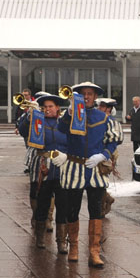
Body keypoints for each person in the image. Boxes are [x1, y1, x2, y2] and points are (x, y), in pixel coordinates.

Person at [50, 82, 119, 267]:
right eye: (83, 94)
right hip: (74, 166)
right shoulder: (69, 115)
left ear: (95, 97)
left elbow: (112, 142)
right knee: (72, 209)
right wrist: (70, 113)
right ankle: (73, 247)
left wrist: (102, 155)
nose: (87, 96)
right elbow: (61, 130)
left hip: (95, 168)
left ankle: (94, 252)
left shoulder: (103, 118)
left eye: (90, 94)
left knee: (96, 210)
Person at [27, 92, 66, 247]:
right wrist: (31, 114)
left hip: (62, 167)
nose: (47, 109)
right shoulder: (38, 121)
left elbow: (72, 141)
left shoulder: (64, 123)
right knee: (42, 203)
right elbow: (24, 130)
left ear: (57, 108)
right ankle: (40, 237)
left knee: (63, 205)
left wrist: (66, 154)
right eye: (45, 107)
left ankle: (62, 241)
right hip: (43, 167)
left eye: (51, 106)